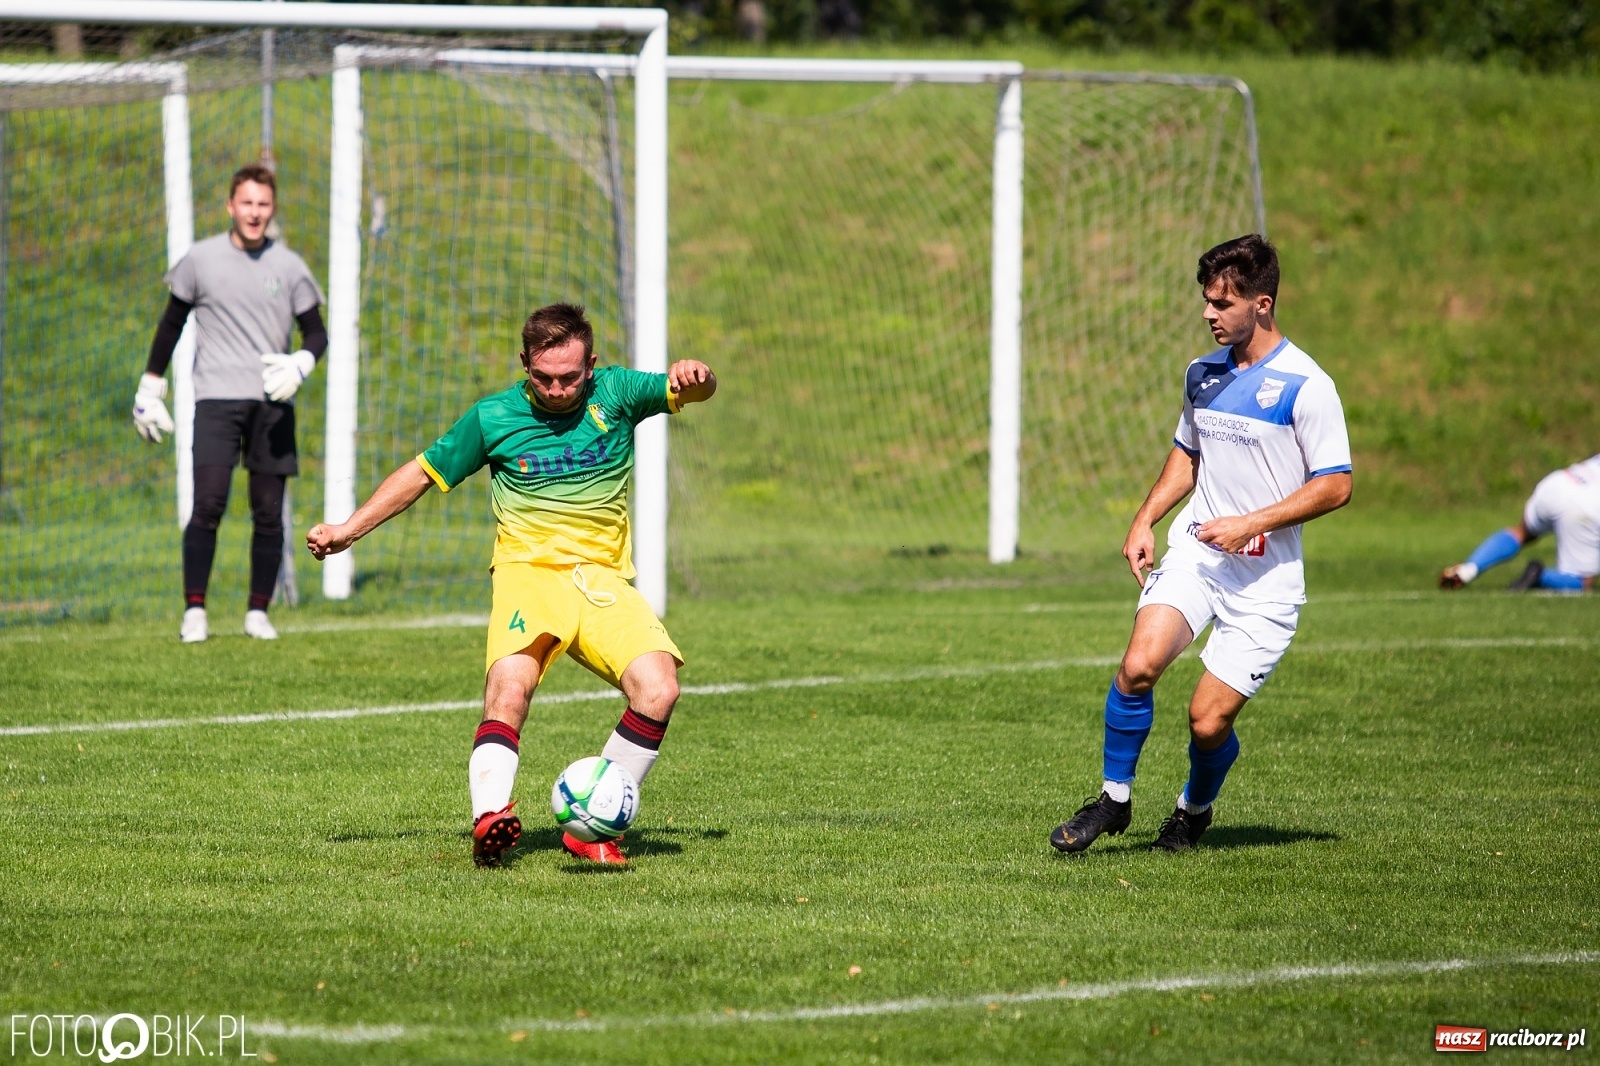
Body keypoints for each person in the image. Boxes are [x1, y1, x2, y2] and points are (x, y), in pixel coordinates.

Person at [306, 303, 716, 867]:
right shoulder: (493, 417)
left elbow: (689, 390)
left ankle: (592, 822)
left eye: (570, 377)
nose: (556, 389)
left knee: (660, 688)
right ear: (524, 362)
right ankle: (490, 819)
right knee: (510, 688)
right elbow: (422, 472)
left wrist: (699, 377)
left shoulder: (619, 392)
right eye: (542, 376)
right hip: (528, 577)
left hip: (601, 580)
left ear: (591, 365)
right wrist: (349, 530)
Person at [1049, 235, 1352, 855]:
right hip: (1198, 554)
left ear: (1261, 304)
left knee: (1207, 721)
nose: (1210, 314)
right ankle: (1113, 800)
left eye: (1223, 303)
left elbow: (1336, 486)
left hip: (1265, 583)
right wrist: (1145, 519)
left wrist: (1251, 522)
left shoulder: (1307, 385)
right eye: (1207, 301)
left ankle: (1193, 811)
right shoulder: (1202, 374)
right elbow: (1187, 457)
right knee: (1137, 668)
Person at [132, 163, 326, 643]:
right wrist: (150, 385)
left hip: (272, 401)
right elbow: (171, 323)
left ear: (272, 209)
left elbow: (317, 332)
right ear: (230, 206)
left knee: (268, 509)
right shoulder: (200, 260)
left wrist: (302, 361)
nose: (254, 212)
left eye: (263, 204)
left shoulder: (290, 266)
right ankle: (194, 610)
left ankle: (258, 612)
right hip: (216, 397)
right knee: (209, 502)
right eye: (247, 203)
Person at [1439, 456, 1600, 592]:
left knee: (1522, 532)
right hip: (1584, 505)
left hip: (1559, 483)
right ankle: (1539, 576)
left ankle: (1468, 569)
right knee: (1583, 582)